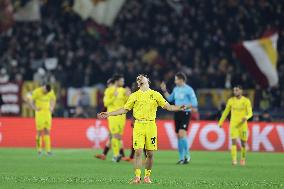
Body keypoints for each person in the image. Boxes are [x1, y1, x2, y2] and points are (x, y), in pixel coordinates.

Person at [98, 74, 189, 184]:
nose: (139, 79)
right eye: (138, 79)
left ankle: (147, 176)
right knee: (138, 152)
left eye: (142, 77)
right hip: (139, 125)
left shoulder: (155, 95)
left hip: (151, 126)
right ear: (138, 83)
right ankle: (137, 177)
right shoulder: (134, 96)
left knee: (150, 154)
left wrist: (179, 107)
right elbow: (124, 109)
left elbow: (168, 107)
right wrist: (109, 113)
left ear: (147, 81)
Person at [160, 72, 198, 164]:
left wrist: (186, 107)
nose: (175, 81)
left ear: (181, 80)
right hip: (177, 113)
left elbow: (194, 103)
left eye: (176, 79)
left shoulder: (189, 90)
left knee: (182, 133)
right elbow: (170, 99)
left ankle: (187, 156)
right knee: (178, 136)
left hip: (185, 113)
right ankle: (181, 158)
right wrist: (164, 90)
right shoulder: (176, 89)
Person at [96, 75, 130, 162]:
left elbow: (126, 103)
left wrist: (127, 96)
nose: (123, 82)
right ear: (117, 81)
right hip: (112, 115)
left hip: (122, 116)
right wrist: (114, 96)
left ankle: (117, 154)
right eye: (122, 81)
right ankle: (116, 155)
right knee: (114, 134)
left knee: (118, 136)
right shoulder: (109, 90)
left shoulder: (123, 90)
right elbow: (106, 103)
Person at [218, 85, 253, 166]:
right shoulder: (231, 100)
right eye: (234, 90)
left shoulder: (246, 101)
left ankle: (243, 159)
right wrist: (220, 122)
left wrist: (246, 117)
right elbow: (226, 112)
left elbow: (250, 113)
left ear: (241, 91)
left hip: (243, 125)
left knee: (243, 143)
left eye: (237, 90)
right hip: (233, 124)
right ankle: (234, 160)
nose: (235, 92)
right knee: (233, 142)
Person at [26, 84, 56, 156]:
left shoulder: (51, 91)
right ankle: (39, 150)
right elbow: (30, 100)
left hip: (47, 113)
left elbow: (53, 99)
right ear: (43, 87)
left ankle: (48, 151)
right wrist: (34, 108)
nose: (45, 93)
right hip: (39, 114)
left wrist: (52, 107)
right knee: (39, 132)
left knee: (47, 131)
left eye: (47, 92)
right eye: (45, 91)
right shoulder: (37, 92)